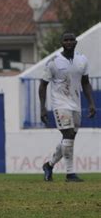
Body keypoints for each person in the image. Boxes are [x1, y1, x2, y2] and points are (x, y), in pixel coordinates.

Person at [39, 31, 96, 182]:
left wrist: (91, 103)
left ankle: (49, 165)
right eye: (66, 40)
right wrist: (43, 107)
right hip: (60, 104)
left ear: (76, 42)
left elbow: (85, 82)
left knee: (68, 138)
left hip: (76, 104)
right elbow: (43, 85)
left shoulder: (82, 60)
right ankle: (70, 174)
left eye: (71, 40)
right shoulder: (53, 62)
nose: (69, 42)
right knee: (68, 135)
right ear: (62, 43)